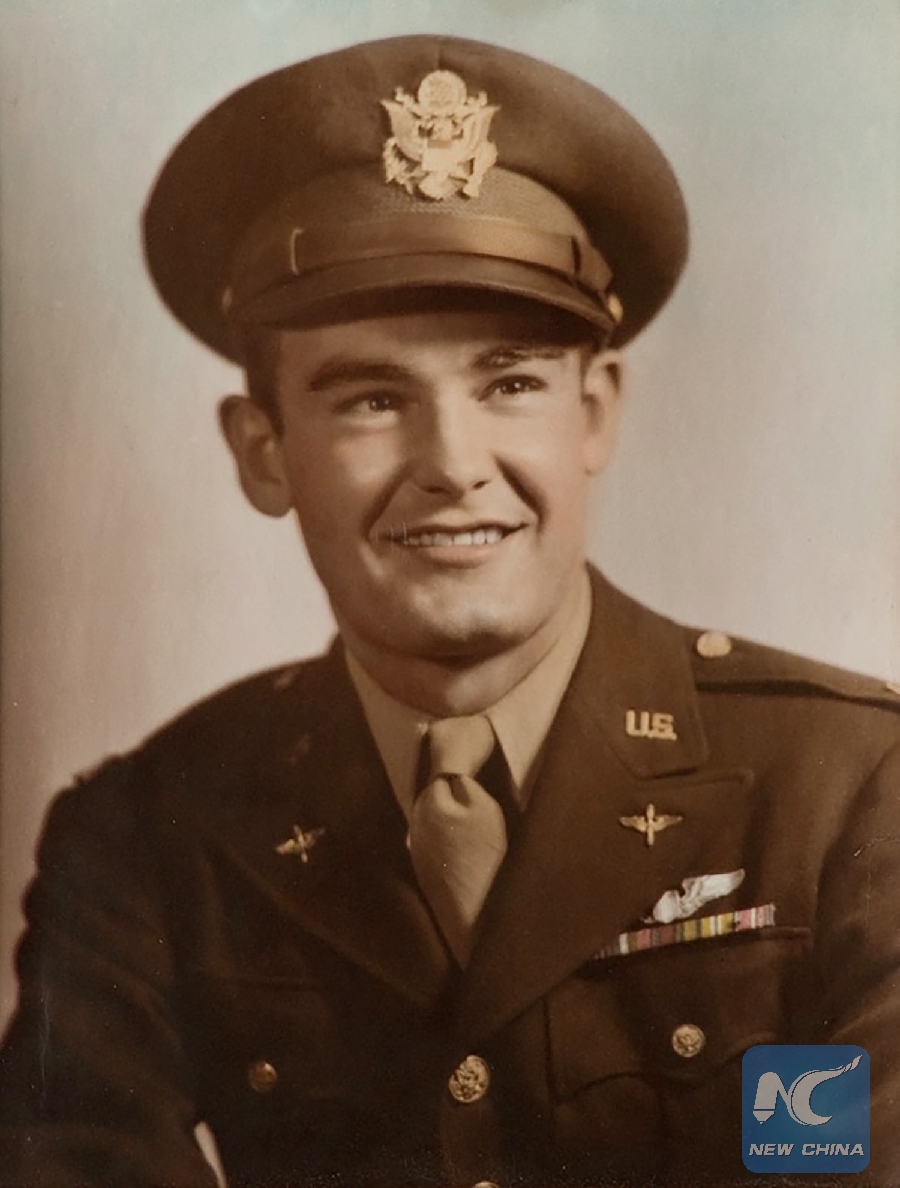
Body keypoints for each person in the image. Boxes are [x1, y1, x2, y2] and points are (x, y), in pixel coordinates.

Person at [1, 32, 898, 1188]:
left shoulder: (845, 791)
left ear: (594, 413)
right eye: (372, 399)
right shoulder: (146, 839)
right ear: (263, 450)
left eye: (510, 383)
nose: (453, 466)